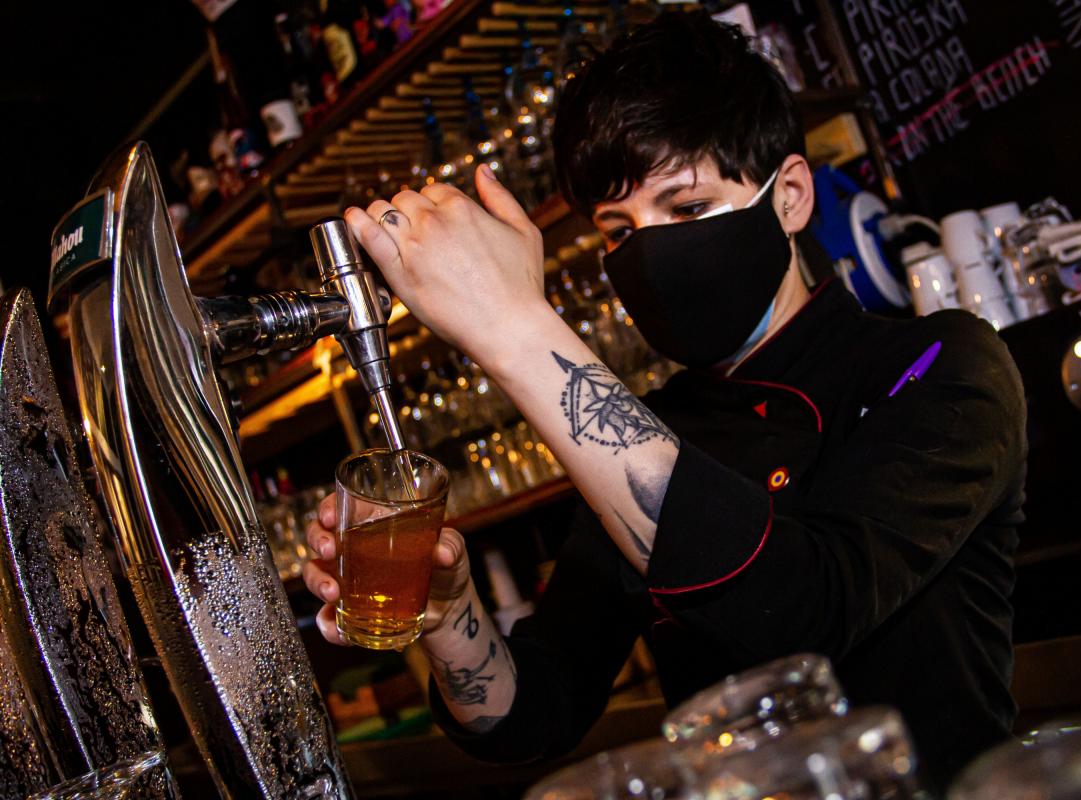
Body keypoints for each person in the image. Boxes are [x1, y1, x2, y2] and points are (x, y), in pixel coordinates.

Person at [302, 11, 1026, 790]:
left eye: (686, 209)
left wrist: (513, 327)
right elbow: (538, 711)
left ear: (789, 196)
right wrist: (450, 621)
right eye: (618, 231)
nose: (648, 252)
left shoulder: (939, 364)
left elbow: (805, 609)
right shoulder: (657, 428)